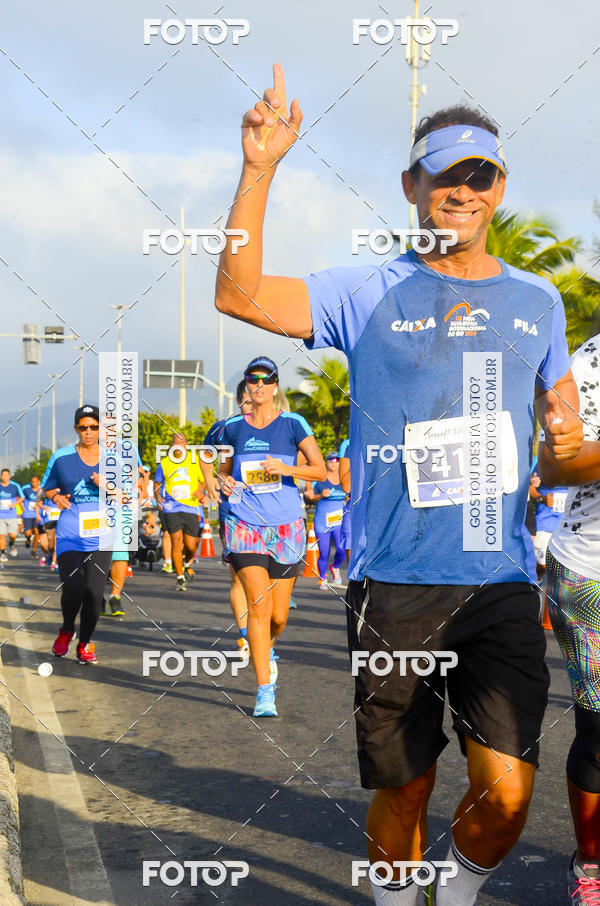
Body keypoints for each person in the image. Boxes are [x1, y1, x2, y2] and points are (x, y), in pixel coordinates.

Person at [214, 67, 584, 904]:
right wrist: (260, 169)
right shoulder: (365, 288)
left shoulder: (539, 300)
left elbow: (558, 438)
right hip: (395, 585)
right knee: (406, 789)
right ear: (412, 187)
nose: (460, 190)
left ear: (497, 188)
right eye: (444, 175)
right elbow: (236, 294)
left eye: (477, 175)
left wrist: (565, 447)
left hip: (498, 579)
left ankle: (451, 894)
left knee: (509, 793)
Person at [219, 356, 326, 717]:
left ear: (275, 387)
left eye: (267, 380)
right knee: (259, 607)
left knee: (278, 614)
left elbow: (320, 469)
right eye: (253, 379)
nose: (260, 385)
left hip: (286, 526)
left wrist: (287, 468)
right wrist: (225, 481)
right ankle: (265, 690)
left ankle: (267, 647)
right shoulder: (233, 427)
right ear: (247, 386)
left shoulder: (293, 423)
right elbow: (221, 470)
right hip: (244, 523)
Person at [538, 334, 600, 903]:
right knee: (599, 732)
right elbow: (553, 467)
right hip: (590, 571)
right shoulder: (587, 364)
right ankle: (591, 867)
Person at [43, 405, 113, 664]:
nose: (89, 432)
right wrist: (56, 497)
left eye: (94, 427)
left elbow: (129, 496)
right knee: (73, 588)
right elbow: (48, 489)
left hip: (102, 536)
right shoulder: (61, 457)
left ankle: (85, 643)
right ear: (76, 429)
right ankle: (66, 629)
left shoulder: (113, 458)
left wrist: (107, 485)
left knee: (94, 594)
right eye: (83, 427)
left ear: (100, 429)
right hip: (70, 535)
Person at [202, 381, 254, 655]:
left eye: (254, 400)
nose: (251, 406)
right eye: (246, 401)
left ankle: (262, 632)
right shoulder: (223, 428)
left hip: (270, 509)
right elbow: (206, 455)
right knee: (239, 577)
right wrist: (211, 482)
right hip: (233, 509)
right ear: (238, 401)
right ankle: (246, 635)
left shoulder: (275, 424)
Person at [154, 432, 206, 591]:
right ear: (172, 445)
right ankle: (180, 577)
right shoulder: (164, 463)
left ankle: (187, 563)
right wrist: (158, 498)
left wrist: (200, 491)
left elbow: (203, 481)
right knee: (176, 540)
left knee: (191, 545)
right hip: (171, 508)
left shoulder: (194, 460)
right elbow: (157, 482)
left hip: (190, 506)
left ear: (186, 445)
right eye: (175, 443)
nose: (178, 446)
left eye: (181, 443)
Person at [305, 452, 346, 589]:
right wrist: (319, 495)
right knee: (324, 552)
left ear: (340, 463)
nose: (333, 463)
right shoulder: (320, 480)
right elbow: (309, 497)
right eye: (330, 460)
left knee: (341, 549)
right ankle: (322, 577)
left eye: (336, 460)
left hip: (340, 522)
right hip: (322, 522)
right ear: (327, 463)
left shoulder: (345, 479)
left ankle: (335, 567)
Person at [529, 455, 569, 580]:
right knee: (540, 568)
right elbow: (530, 489)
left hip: (569, 528)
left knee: (563, 574)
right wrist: (543, 498)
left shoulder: (582, 458)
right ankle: (536, 594)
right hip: (545, 524)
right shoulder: (539, 459)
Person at [0, 468, 23, 560]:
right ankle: (3, 553)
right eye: (3, 475)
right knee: (1, 535)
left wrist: (15, 504)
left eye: (7, 475)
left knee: (12, 535)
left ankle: (11, 544)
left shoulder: (15, 486)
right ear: (1, 476)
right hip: (1, 515)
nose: (5, 477)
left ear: (9, 476)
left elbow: (22, 498)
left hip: (12, 515)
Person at [20, 474, 41, 556]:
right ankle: (28, 538)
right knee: (28, 533)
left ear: (39, 482)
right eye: (32, 482)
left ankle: (34, 550)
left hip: (37, 515)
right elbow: (20, 497)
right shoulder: (26, 489)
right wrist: (21, 506)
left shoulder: (42, 490)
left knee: (36, 532)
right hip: (27, 514)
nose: (34, 483)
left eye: (36, 482)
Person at [338, 437, 352, 559]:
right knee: (354, 567)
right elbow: (347, 487)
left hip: (379, 506)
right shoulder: (348, 444)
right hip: (355, 507)